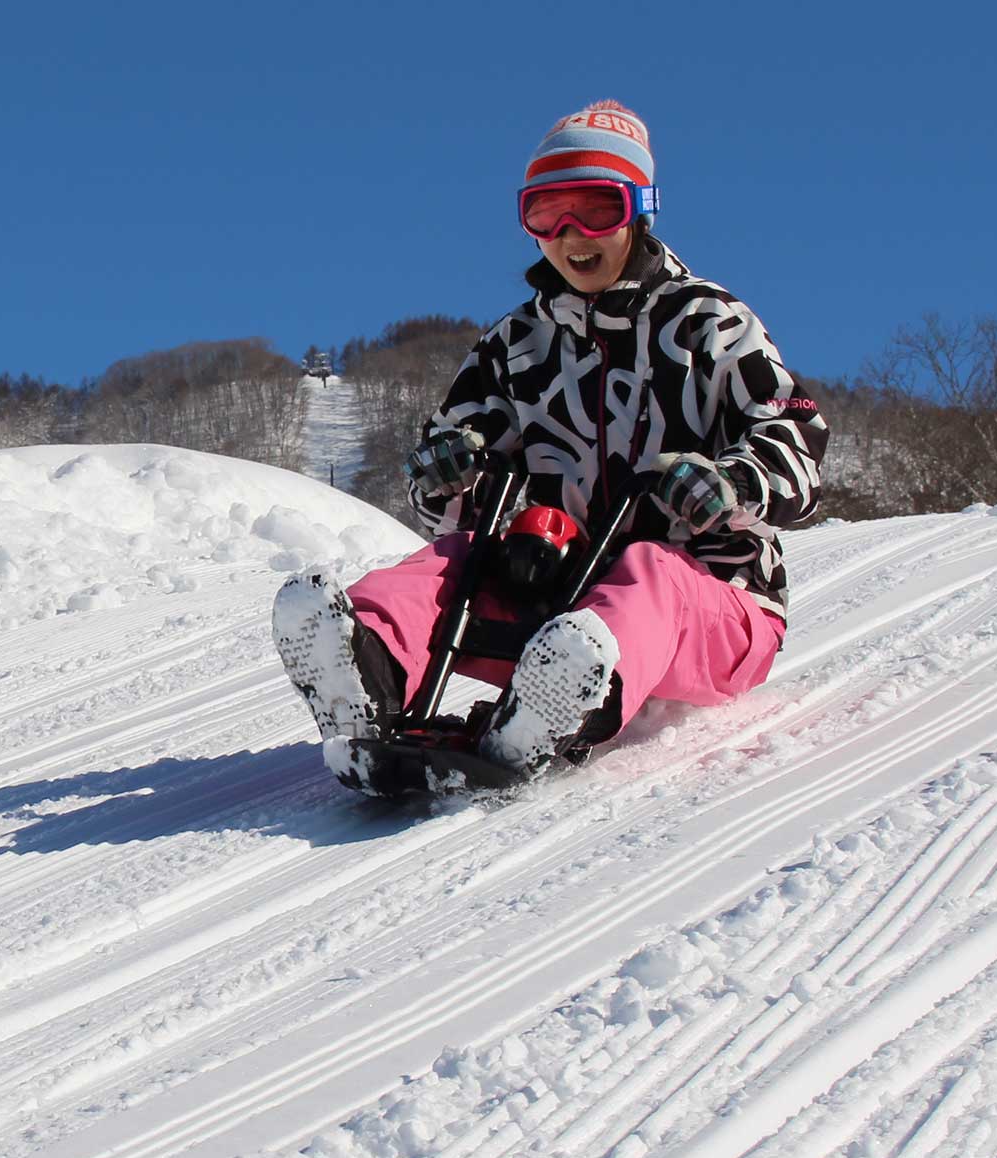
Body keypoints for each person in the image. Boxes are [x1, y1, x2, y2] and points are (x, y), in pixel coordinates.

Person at [276, 99, 828, 776]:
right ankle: (366, 669)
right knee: (457, 558)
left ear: (638, 209)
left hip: (716, 608)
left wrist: (733, 483)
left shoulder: (708, 322)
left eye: (596, 208)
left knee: (648, 571)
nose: (571, 233)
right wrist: (450, 476)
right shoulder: (515, 344)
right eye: (546, 213)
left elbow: (794, 430)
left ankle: (565, 703)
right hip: (558, 606)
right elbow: (444, 500)